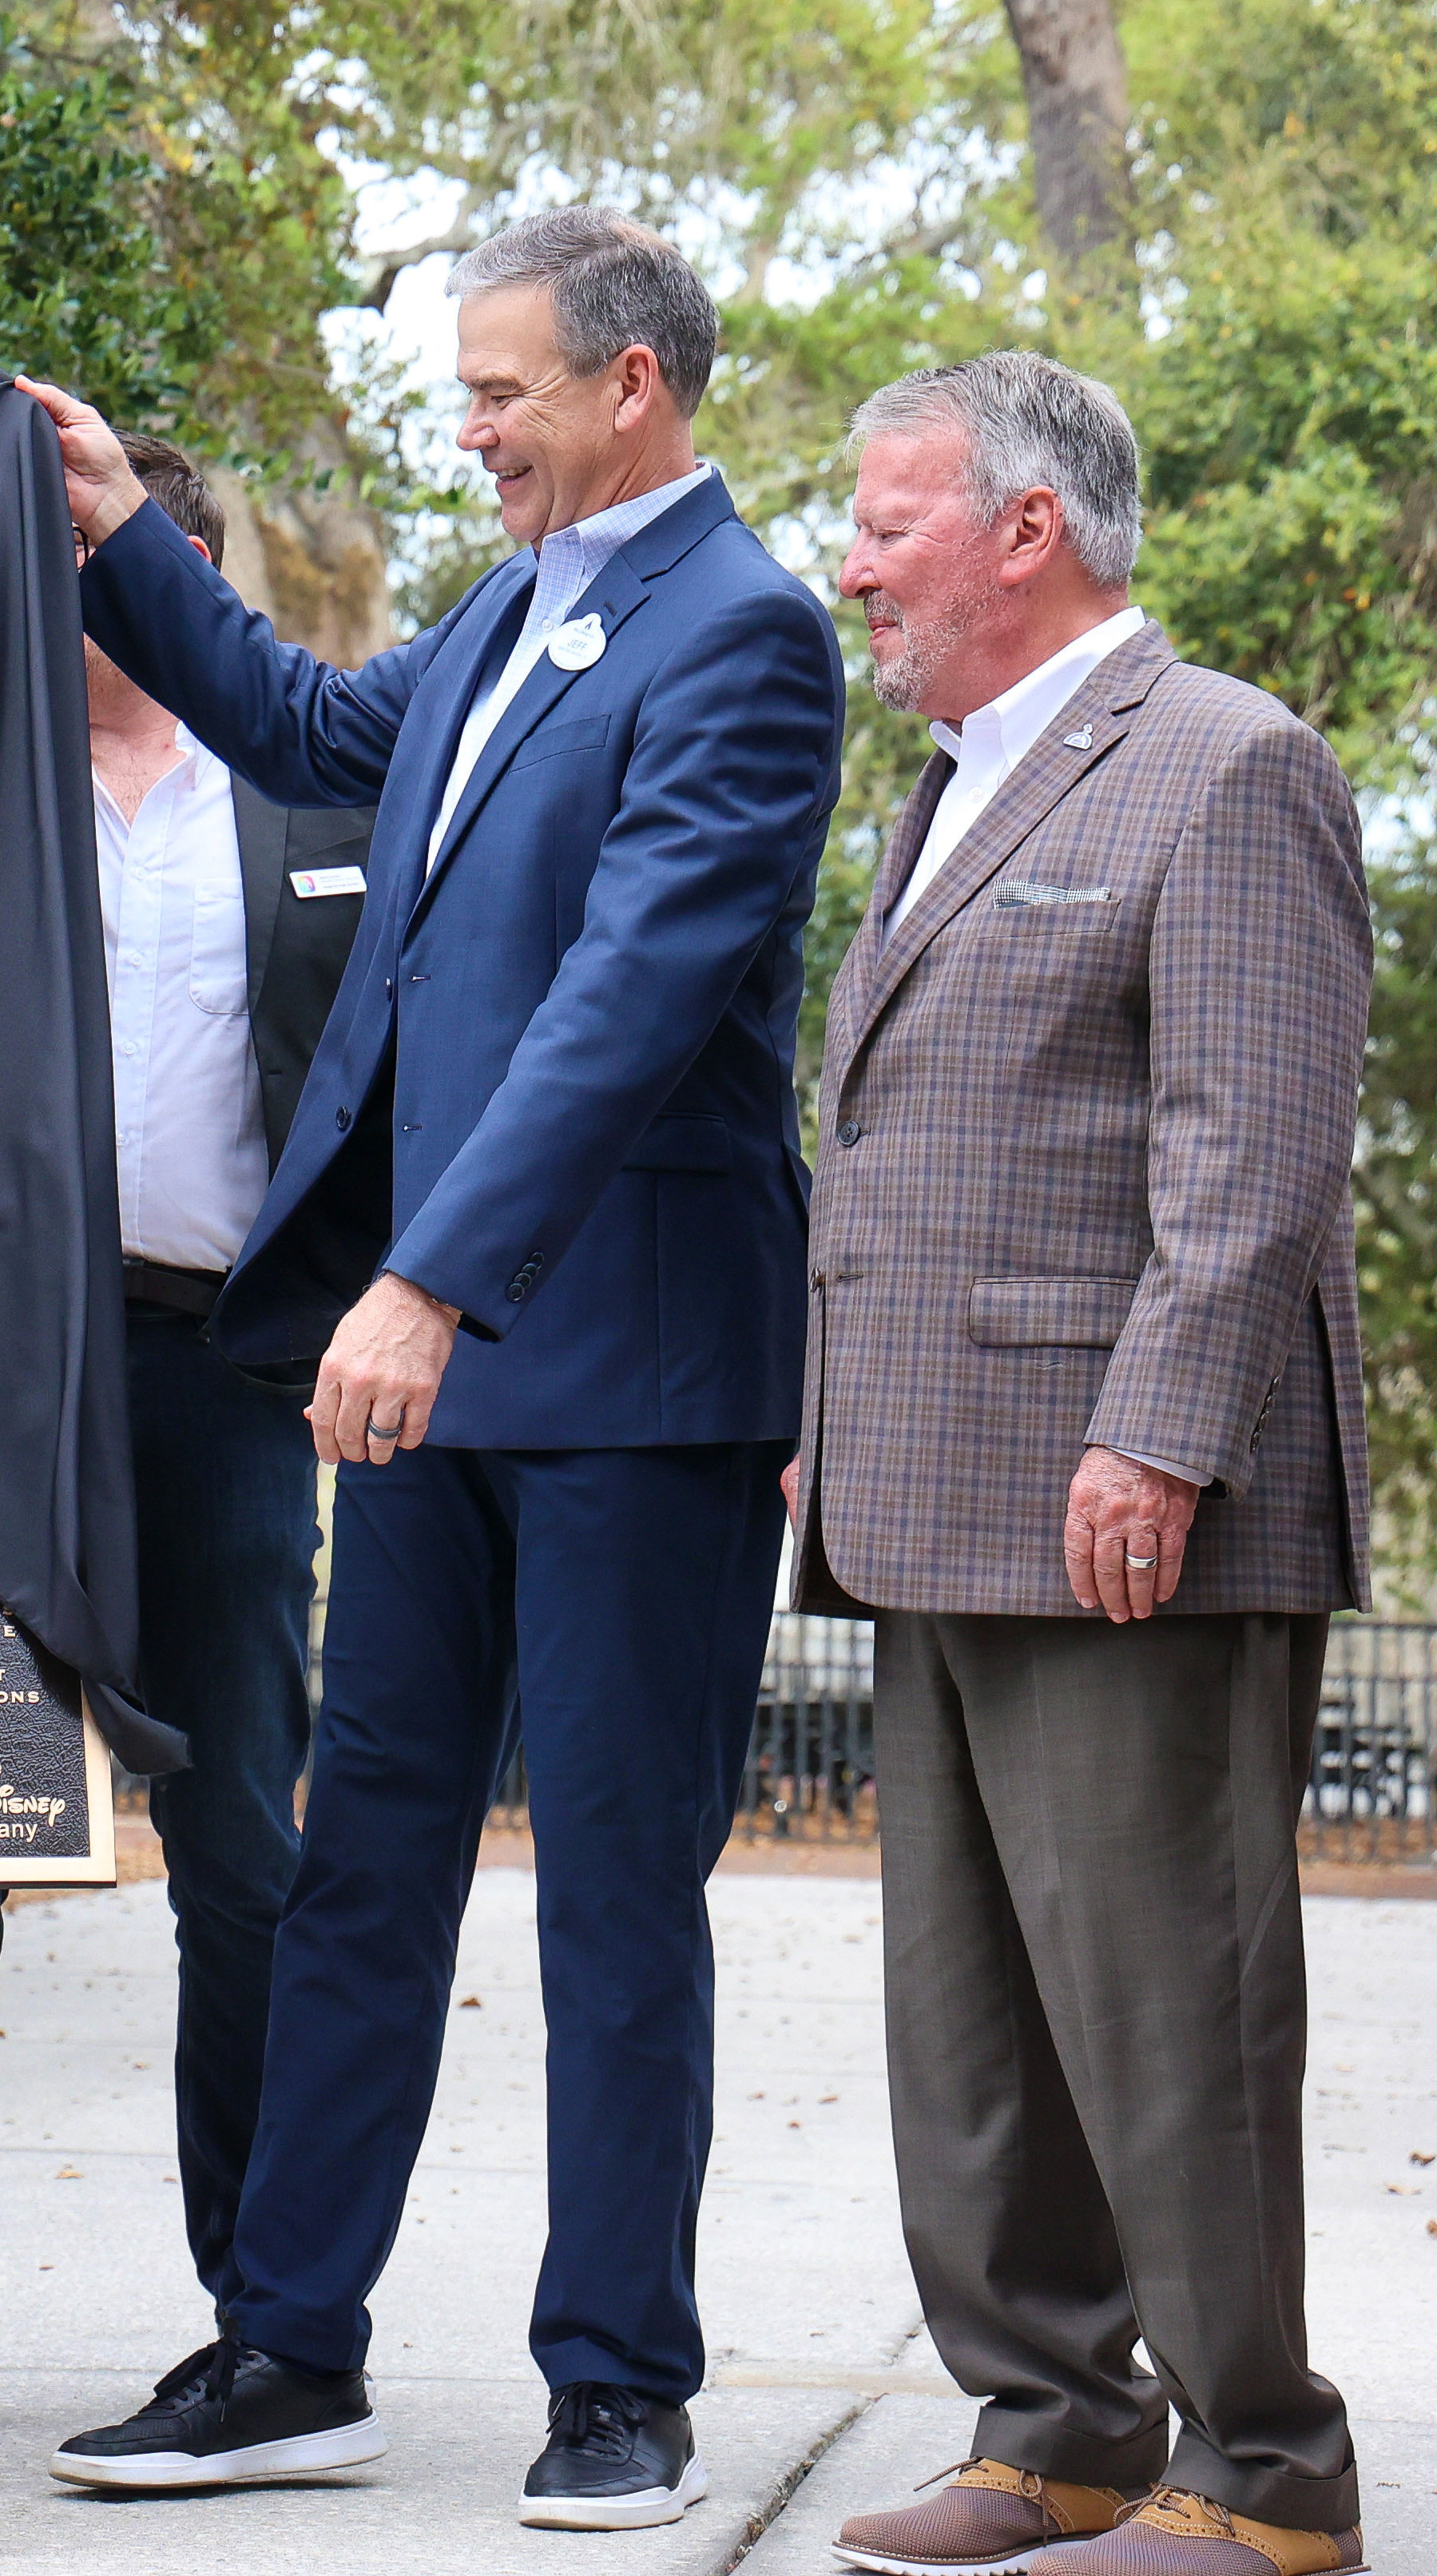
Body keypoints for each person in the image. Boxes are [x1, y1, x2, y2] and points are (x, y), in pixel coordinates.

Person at [25, 208, 843, 2531]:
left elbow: (630, 1005)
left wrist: (431, 1280)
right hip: (437, 1382)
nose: (466, 428)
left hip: (625, 1381)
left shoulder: (750, 639)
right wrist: (116, 541)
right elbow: (301, 724)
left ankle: (618, 2382)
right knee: (354, 1868)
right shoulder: (508, 605)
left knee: (608, 1888)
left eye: (501, 392)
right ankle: (291, 2347)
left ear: (634, 388)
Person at [801, 356, 1368, 2576]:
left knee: (1167, 2005)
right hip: (929, 1487)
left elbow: (1254, 1159)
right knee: (973, 2018)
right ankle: (1052, 2428)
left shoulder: (1226, 764)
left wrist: (1157, 1433)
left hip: (1128, 1505)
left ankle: (1263, 2474)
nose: (851, 565)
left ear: (1028, 532)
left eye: (887, 524)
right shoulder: (946, 786)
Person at [0, 434, 371, 2443]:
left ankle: (264, 2305)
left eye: (104, 552)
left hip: (218, 1379)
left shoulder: (311, 790)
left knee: (237, 1854)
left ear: (184, 570)